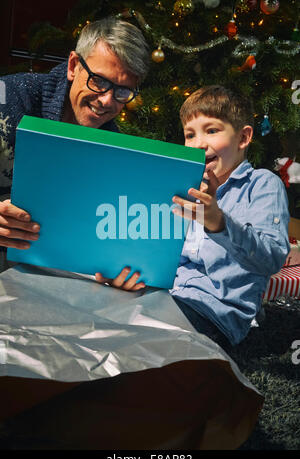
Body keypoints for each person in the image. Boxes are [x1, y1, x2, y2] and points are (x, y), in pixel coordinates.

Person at [0, 16, 149, 284]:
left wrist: (117, 268)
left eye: (122, 92)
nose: (106, 101)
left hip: (47, 279)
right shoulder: (7, 97)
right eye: (100, 81)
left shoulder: (114, 147)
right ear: (73, 66)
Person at [167, 85, 290, 346]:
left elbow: (272, 258)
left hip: (214, 314)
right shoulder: (186, 186)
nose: (198, 144)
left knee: (152, 345)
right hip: (167, 295)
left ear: (243, 138)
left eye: (211, 131)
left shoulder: (263, 184)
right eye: (190, 134)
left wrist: (219, 222)